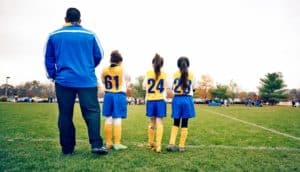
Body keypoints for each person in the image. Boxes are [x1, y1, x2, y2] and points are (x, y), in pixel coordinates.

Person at [44, 7, 108, 155]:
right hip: (86, 80)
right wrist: (87, 67)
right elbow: (99, 55)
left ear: (65, 19)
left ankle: (67, 148)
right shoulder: (90, 35)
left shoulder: (53, 35)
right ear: (80, 20)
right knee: (92, 112)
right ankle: (96, 145)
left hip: (64, 81)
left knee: (65, 114)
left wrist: (54, 75)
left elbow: (48, 58)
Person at [101, 50, 131, 150]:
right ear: (119, 61)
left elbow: (103, 81)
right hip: (119, 95)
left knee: (108, 118)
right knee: (117, 118)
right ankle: (117, 143)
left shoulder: (104, 70)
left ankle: (108, 143)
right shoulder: (122, 69)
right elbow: (128, 79)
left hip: (108, 95)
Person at [167, 57, 196, 152]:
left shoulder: (175, 74)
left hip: (177, 100)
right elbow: (194, 88)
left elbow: (172, 87)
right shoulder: (191, 75)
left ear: (178, 65)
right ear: (188, 64)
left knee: (175, 122)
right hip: (187, 99)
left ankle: (171, 143)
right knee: (185, 123)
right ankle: (181, 146)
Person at [143, 54, 171, 153]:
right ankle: (158, 145)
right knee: (159, 122)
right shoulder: (165, 74)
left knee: (151, 122)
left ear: (152, 63)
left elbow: (144, 86)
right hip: (160, 100)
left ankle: (150, 142)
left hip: (150, 100)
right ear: (161, 65)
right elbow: (168, 86)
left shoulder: (148, 73)